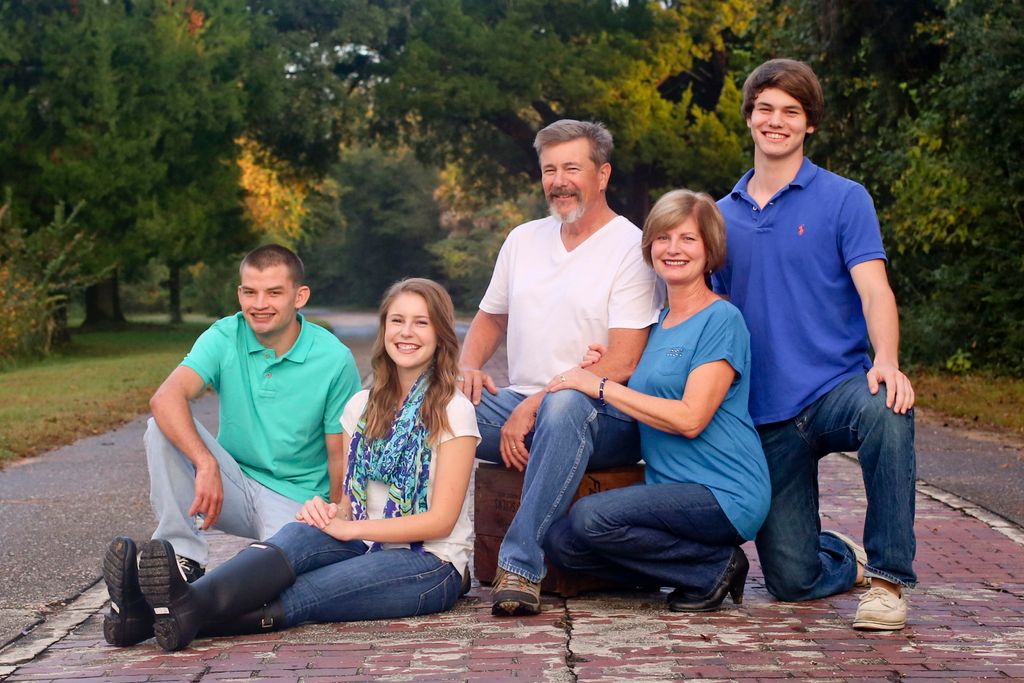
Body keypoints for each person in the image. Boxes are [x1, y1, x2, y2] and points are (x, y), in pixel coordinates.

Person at [102, 278, 480, 651]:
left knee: (306, 592)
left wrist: (349, 529)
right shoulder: (361, 408)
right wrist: (330, 511)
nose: (406, 332)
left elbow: (441, 521)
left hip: (430, 563)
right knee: (297, 534)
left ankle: (169, 611)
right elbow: (351, 499)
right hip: (366, 541)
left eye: (421, 322)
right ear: (385, 330)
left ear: (440, 335)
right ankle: (155, 615)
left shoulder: (453, 411)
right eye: (397, 321)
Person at [713, 58, 917, 630]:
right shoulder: (718, 217)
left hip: (836, 389)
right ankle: (842, 558)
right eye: (766, 109)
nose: (776, 121)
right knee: (792, 581)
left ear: (810, 125)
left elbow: (875, 290)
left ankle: (888, 581)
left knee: (889, 409)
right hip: (767, 413)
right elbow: (703, 314)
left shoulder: (845, 199)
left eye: (791, 112)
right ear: (750, 118)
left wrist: (888, 361)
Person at [103, 245, 361, 647]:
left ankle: (138, 613)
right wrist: (205, 463)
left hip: (298, 505)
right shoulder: (226, 334)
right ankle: (183, 558)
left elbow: (339, 455)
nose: (259, 304)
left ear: (300, 296)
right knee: (161, 428)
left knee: (264, 588)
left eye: (274, 292)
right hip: (232, 485)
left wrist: (338, 520)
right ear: (239, 293)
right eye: (249, 292)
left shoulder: (334, 359)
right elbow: (165, 398)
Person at [458, 119, 662, 616]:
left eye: (572, 167)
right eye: (550, 169)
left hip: (604, 414)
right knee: (432, 403)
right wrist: (465, 366)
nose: (559, 180)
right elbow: (490, 317)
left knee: (564, 408)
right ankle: (425, 553)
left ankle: (521, 566)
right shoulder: (523, 240)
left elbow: (625, 358)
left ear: (603, 174)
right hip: (521, 404)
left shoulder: (630, 250)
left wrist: (536, 404)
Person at [543, 190, 770, 611]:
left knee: (592, 518)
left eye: (688, 239)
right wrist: (604, 365)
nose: (673, 249)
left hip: (722, 490)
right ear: (650, 248)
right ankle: (703, 568)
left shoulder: (722, 320)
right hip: (669, 487)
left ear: (710, 248)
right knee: (562, 544)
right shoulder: (660, 322)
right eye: (662, 238)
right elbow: (646, 390)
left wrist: (602, 387)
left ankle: (712, 566)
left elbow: (690, 418)